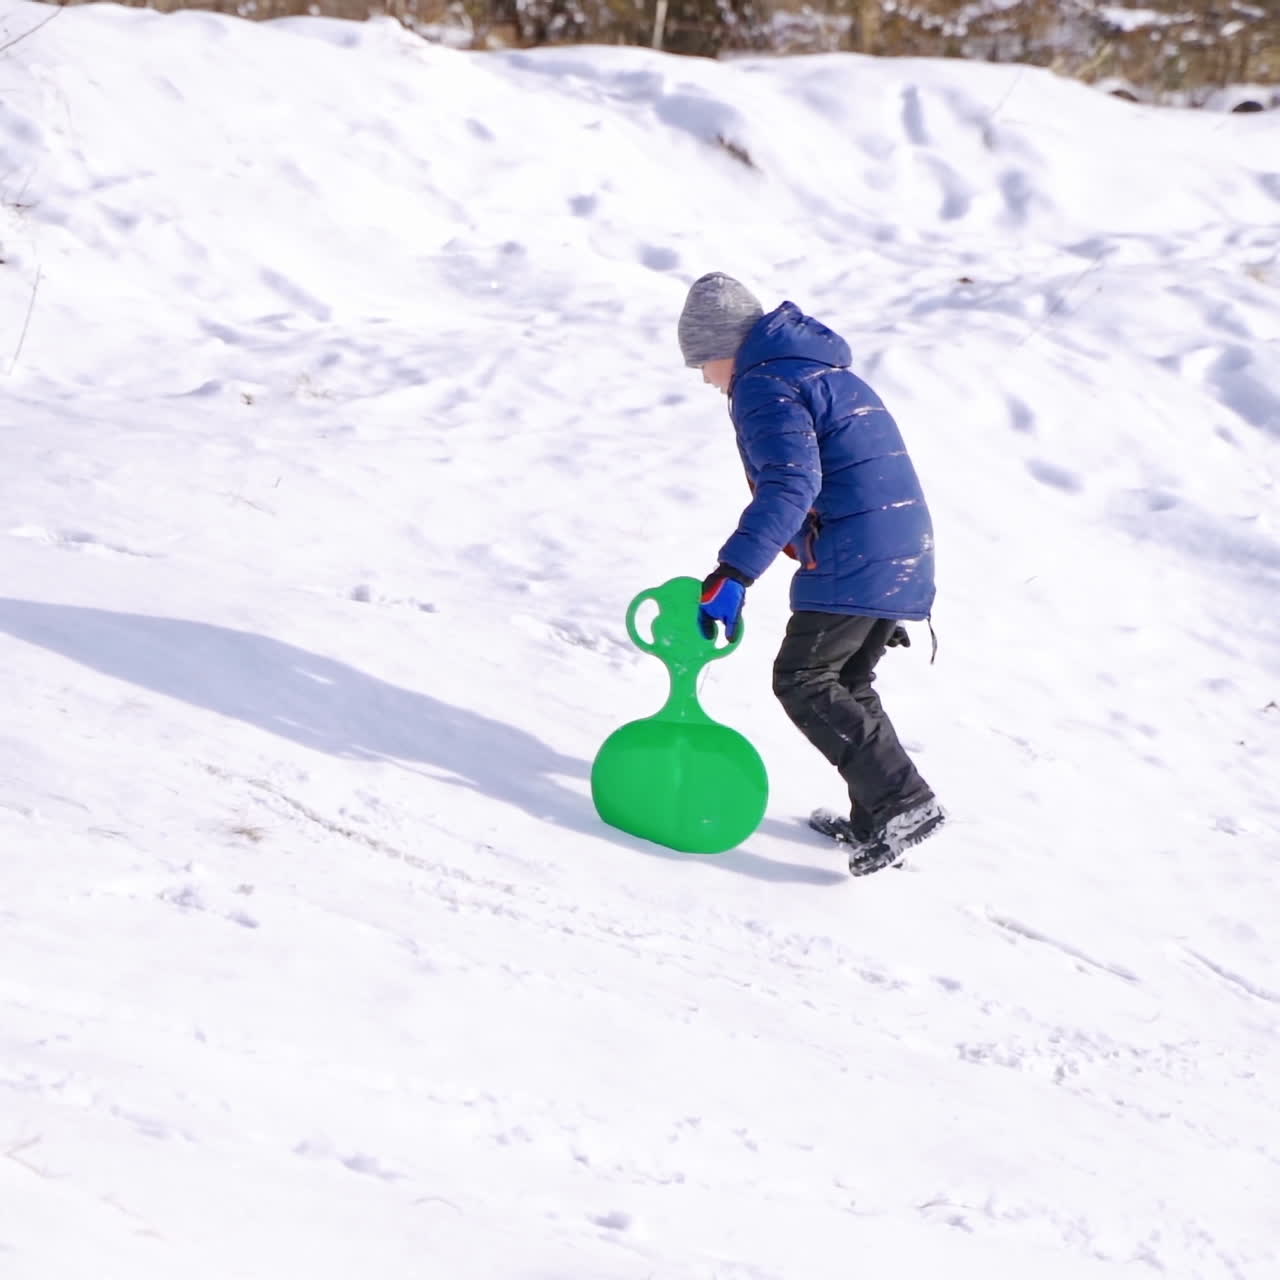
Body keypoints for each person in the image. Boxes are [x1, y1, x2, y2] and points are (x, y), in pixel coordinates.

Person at [678, 272, 944, 875]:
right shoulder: (818, 370)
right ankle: (878, 820)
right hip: (895, 545)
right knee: (846, 679)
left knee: (803, 678)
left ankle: (905, 802)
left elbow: (792, 485)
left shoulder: (765, 384)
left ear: (724, 347)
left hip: (858, 551)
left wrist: (734, 572)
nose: (703, 377)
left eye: (702, 361)